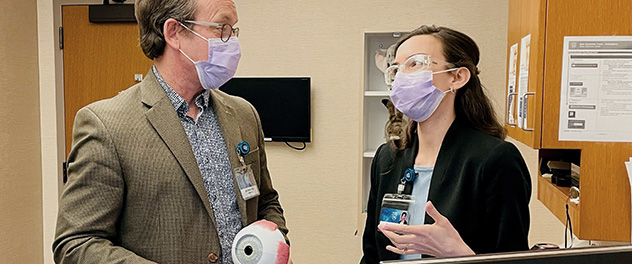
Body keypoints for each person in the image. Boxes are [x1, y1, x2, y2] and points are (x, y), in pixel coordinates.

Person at [53, 0, 290, 263]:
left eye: (233, 30)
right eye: (221, 28)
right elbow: (76, 244)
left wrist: (276, 245)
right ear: (174, 32)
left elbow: (266, 202)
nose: (231, 41)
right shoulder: (106, 125)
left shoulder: (244, 114)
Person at [360, 25, 531, 263]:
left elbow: (513, 257)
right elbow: (371, 253)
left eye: (415, 64)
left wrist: (458, 254)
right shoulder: (388, 157)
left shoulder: (495, 159)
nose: (401, 77)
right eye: (396, 69)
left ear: (457, 77)